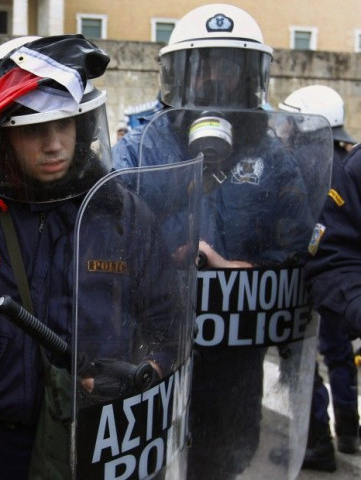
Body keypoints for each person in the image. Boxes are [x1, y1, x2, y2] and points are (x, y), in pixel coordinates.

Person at [0, 34, 191, 480]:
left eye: (64, 125)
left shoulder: (118, 212)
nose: (53, 144)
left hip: (95, 430)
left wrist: (143, 373)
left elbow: (170, 319)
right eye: (32, 128)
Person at [113, 4, 330, 479]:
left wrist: (247, 270)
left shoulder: (270, 152)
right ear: (179, 72)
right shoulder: (141, 145)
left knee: (228, 453)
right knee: (155, 454)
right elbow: (111, 232)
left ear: (249, 75)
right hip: (159, 340)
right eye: (204, 62)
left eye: (229, 64)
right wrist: (168, 254)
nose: (215, 76)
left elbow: (297, 241)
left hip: (236, 340)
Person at [278, 84, 360, 471]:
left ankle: (319, 438)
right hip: (338, 287)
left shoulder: (319, 170)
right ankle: (346, 426)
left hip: (313, 282)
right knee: (337, 352)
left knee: (304, 355)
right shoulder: (346, 162)